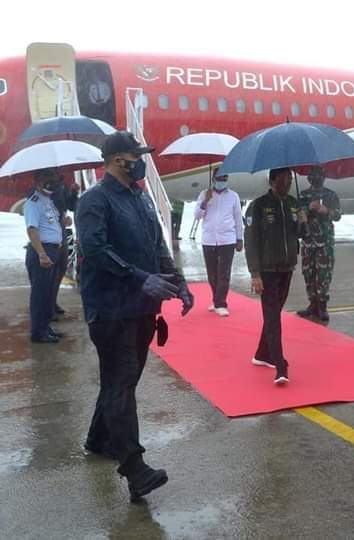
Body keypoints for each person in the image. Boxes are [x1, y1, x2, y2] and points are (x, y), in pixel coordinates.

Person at [76, 131, 194, 501]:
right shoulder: (94, 201)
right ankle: (134, 467)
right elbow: (95, 250)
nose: (140, 161)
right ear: (116, 161)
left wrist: (179, 283)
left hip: (142, 308)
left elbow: (157, 245)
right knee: (121, 383)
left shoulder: (139, 196)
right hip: (111, 309)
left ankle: (99, 438)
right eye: (134, 155)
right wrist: (141, 279)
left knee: (120, 380)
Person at [244, 167, 306, 384]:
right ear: (272, 182)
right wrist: (255, 273)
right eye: (282, 181)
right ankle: (280, 366)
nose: (286, 185)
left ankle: (262, 354)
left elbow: (301, 235)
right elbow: (251, 242)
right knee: (273, 319)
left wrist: (302, 221)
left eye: (289, 181)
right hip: (267, 272)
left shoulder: (292, 204)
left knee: (273, 315)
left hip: (287, 268)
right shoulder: (258, 206)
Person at [194, 172, 244, 316]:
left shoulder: (233, 196)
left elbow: (238, 218)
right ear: (213, 179)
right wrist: (205, 202)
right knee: (212, 274)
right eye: (219, 178)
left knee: (224, 273)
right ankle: (216, 300)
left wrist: (239, 238)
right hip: (209, 239)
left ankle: (221, 303)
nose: (222, 181)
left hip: (227, 239)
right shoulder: (204, 194)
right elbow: (197, 216)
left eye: (225, 178)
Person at [296, 165, 342, 321]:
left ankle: (322, 305)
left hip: (324, 241)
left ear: (324, 177)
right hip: (308, 241)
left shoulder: (331, 195)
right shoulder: (303, 196)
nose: (316, 178)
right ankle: (312, 303)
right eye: (313, 175)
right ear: (308, 178)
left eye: (319, 175)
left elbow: (338, 215)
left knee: (324, 274)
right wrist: (307, 209)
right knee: (308, 273)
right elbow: (298, 217)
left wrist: (326, 211)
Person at [23, 169, 64, 343]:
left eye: (54, 179)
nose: (53, 182)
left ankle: (45, 327)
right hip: (42, 251)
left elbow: (49, 224)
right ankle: (38, 332)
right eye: (48, 179)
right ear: (38, 181)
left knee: (48, 292)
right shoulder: (33, 203)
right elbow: (32, 229)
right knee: (40, 293)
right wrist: (41, 253)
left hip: (52, 250)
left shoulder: (48, 201)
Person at [49, 173, 79, 317]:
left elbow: (71, 205)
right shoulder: (44, 187)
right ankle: (46, 308)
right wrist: (60, 218)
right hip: (48, 235)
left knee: (61, 268)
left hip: (61, 232)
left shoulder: (62, 184)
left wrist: (74, 193)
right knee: (50, 273)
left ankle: (52, 302)